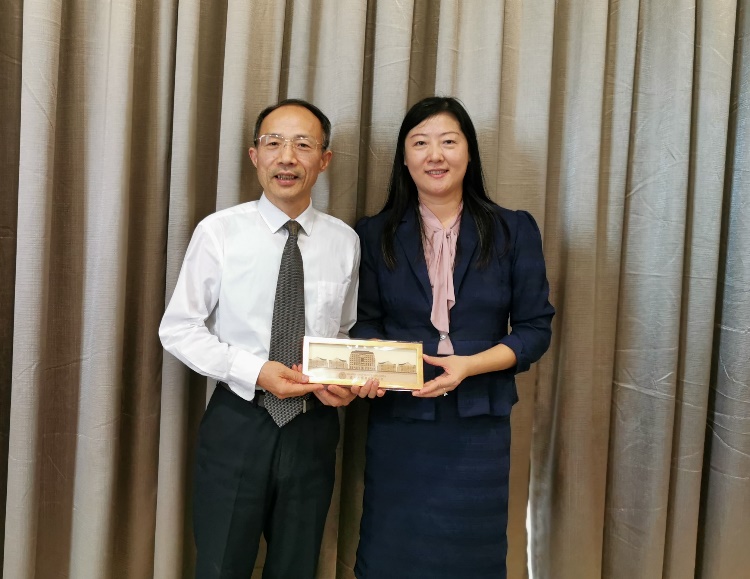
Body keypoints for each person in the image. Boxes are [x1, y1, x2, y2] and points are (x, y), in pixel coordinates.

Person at [159, 99, 368, 579]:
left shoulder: (344, 241)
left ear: (324, 159)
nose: (287, 157)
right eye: (274, 143)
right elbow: (179, 328)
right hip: (238, 419)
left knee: (297, 566)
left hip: (314, 426)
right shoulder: (219, 232)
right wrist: (255, 372)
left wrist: (343, 382)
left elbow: (341, 330)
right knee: (221, 565)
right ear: (255, 155)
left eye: (303, 145)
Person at [349, 96, 555, 579]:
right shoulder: (375, 233)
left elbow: (535, 329)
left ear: (469, 151)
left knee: (472, 559)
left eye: (448, 141)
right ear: (404, 158)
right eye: (420, 143)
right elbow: (364, 323)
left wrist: (469, 365)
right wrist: (371, 367)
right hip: (401, 419)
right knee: (391, 555)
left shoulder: (513, 229)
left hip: (478, 424)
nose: (435, 155)